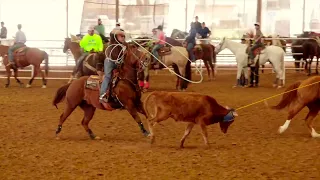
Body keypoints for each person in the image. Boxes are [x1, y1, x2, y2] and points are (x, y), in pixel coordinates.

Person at [99, 29, 126, 103]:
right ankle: (102, 95)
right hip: (110, 62)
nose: (123, 38)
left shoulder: (123, 45)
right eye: (121, 36)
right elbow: (112, 33)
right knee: (108, 76)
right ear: (116, 37)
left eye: (124, 36)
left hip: (118, 63)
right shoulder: (112, 44)